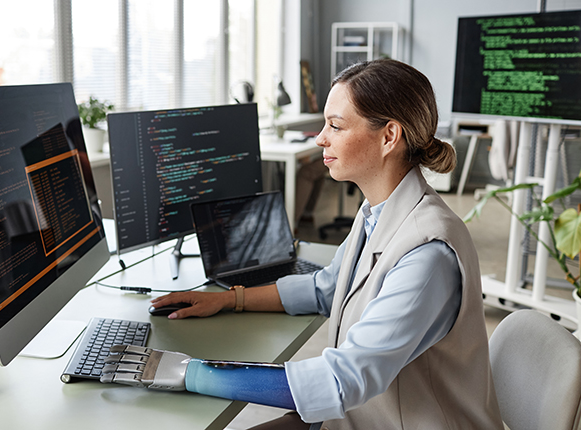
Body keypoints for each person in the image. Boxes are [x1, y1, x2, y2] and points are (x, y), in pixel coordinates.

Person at [101, 59, 503, 429]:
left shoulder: (428, 255)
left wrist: (186, 371)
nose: (320, 139)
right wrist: (229, 299)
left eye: (336, 126)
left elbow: (339, 382)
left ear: (389, 136)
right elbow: (326, 288)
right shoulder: (378, 212)